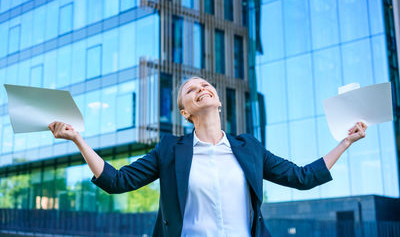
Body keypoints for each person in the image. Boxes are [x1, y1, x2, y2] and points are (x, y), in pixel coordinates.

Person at [48, 76, 367, 237]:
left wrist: (346, 142)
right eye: (190, 90)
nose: (201, 88)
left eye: (205, 85)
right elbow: (117, 181)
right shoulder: (170, 149)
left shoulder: (249, 147)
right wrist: (77, 138)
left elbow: (303, 178)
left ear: (218, 100)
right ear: (185, 112)